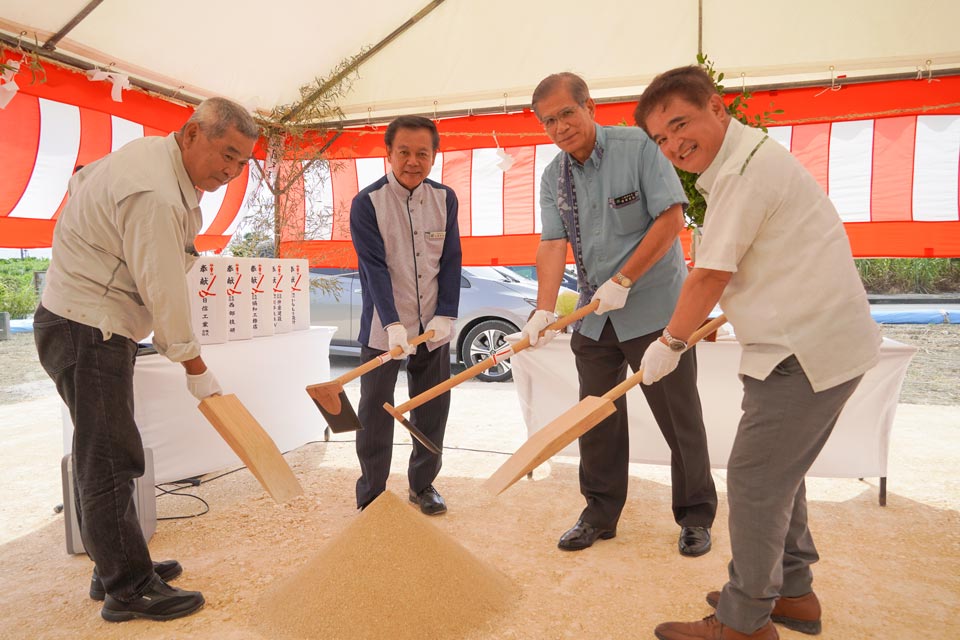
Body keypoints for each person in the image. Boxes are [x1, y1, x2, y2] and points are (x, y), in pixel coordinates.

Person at [635, 66, 881, 640]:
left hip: (805, 349)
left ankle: (745, 622)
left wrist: (669, 342)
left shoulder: (743, 173)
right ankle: (793, 594)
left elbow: (710, 275)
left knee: (754, 481)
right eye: (661, 139)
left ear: (717, 108)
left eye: (680, 125)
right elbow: (760, 261)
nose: (674, 145)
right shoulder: (746, 160)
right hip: (801, 342)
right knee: (777, 476)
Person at [34, 97, 258, 622]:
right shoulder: (156, 192)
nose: (230, 170)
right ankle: (127, 587)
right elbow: (162, 287)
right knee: (111, 457)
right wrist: (194, 365)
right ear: (190, 134)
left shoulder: (150, 160)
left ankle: (113, 564)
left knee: (105, 450)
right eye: (225, 154)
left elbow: (82, 183)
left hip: (86, 321)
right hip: (87, 326)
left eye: (241, 161)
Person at [520, 72, 717, 556]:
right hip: (593, 316)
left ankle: (695, 516)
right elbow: (551, 243)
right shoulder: (553, 177)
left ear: (589, 105)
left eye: (567, 112)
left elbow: (672, 219)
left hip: (656, 313)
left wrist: (624, 280)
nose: (560, 127)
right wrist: (544, 310)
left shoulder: (639, 148)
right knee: (596, 418)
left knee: (679, 418)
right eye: (549, 121)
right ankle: (599, 512)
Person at [349, 115, 462, 516]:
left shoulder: (445, 198)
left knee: (432, 407)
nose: (413, 161)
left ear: (434, 156)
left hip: (433, 328)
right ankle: (373, 493)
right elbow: (373, 268)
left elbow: (450, 261)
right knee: (375, 411)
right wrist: (393, 324)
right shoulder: (367, 203)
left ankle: (423, 485)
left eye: (422, 153)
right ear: (388, 153)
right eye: (404, 152)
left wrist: (446, 313)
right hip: (385, 331)